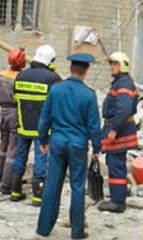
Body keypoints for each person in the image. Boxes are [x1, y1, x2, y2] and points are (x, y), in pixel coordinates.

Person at [35, 53, 101, 239]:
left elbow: (44, 118)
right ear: (85, 71)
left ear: (70, 69)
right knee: (78, 187)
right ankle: (77, 231)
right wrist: (97, 149)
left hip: (57, 143)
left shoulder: (56, 90)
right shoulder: (89, 94)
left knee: (52, 185)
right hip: (78, 145)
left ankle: (44, 228)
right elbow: (94, 126)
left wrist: (43, 140)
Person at [10, 44, 61, 206]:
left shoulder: (21, 76)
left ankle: (15, 192)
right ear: (50, 61)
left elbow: (15, 98)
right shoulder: (52, 78)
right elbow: (56, 102)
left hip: (23, 124)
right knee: (41, 160)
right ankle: (38, 196)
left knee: (20, 157)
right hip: (42, 128)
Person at [98, 52, 139, 213]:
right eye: (111, 63)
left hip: (119, 130)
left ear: (123, 65)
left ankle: (118, 201)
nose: (112, 66)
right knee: (114, 163)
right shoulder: (119, 83)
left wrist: (114, 128)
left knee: (116, 165)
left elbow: (124, 109)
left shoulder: (124, 84)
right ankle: (117, 197)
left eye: (115, 64)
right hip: (116, 128)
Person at [0, 47, 26, 195]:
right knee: (13, 150)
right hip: (15, 115)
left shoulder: (1, 76)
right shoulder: (22, 78)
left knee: (3, 147)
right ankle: (6, 184)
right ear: (22, 63)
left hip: (3, 114)